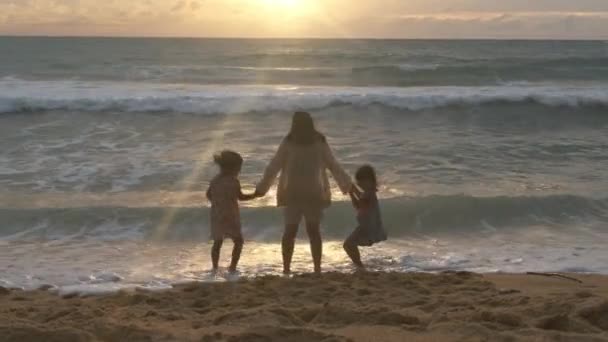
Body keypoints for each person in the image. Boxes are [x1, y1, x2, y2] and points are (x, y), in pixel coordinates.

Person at [255, 111, 352, 274]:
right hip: (314, 191)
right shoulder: (319, 141)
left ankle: (287, 268)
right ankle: (317, 268)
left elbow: (274, 166)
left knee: (290, 231)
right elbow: (333, 165)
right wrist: (347, 185)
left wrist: (262, 189)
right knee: (313, 231)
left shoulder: (289, 141)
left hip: (292, 191)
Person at [206, 150, 257, 273]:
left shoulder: (215, 180)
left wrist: (217, 202)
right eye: (238, 168)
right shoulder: (234, 181)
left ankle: (215, 267)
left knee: (218, 242)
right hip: (231, 215)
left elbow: (208, 195)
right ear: (232, 167)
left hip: (217, 215)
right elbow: (241, 197)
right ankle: (233, 267)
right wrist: (255, 195)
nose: (239, 171)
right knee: (238, 241)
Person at [343, 165, 387, 269]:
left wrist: (351, 192)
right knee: (350, 244)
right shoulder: (369, 193)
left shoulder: (369, 193)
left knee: (348, 244)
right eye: (359, 182)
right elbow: (361, 200)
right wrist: (353, 191)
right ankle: (359, 265)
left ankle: (359, 266)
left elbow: (358, 205)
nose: (360, 184)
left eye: (362, 181)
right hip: (367, 225)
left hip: (367, 227)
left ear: (370, 181)